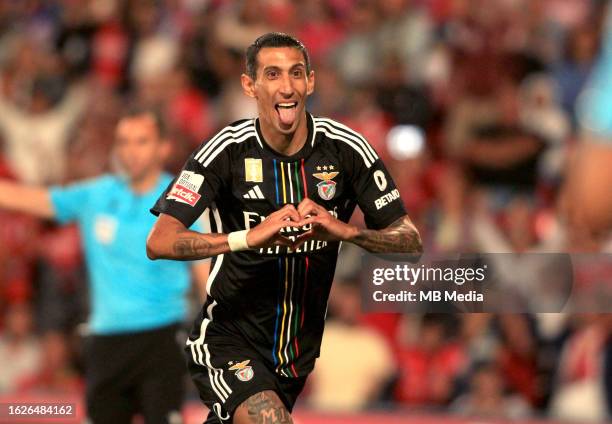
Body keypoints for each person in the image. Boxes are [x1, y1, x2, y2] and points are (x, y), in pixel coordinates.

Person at [147, 32, 423, 424]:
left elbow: (410, 243)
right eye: (272, 74)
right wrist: (247, 238)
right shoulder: (225, 150)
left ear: (311, 81)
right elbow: (160, 241)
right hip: (227, 338)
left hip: (295, 357)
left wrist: (345, 231)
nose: (287, 86)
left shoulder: (347, 150)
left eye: (296, 73)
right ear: (250, 85)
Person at [0, 108, 210, 423]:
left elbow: (206, 276)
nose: (131, 151)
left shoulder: (184, 201)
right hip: (105, 342)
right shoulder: (96, 195)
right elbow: (30, 198)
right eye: (123, 142)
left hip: (162, 338)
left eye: (141, 141)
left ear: (163, 147)